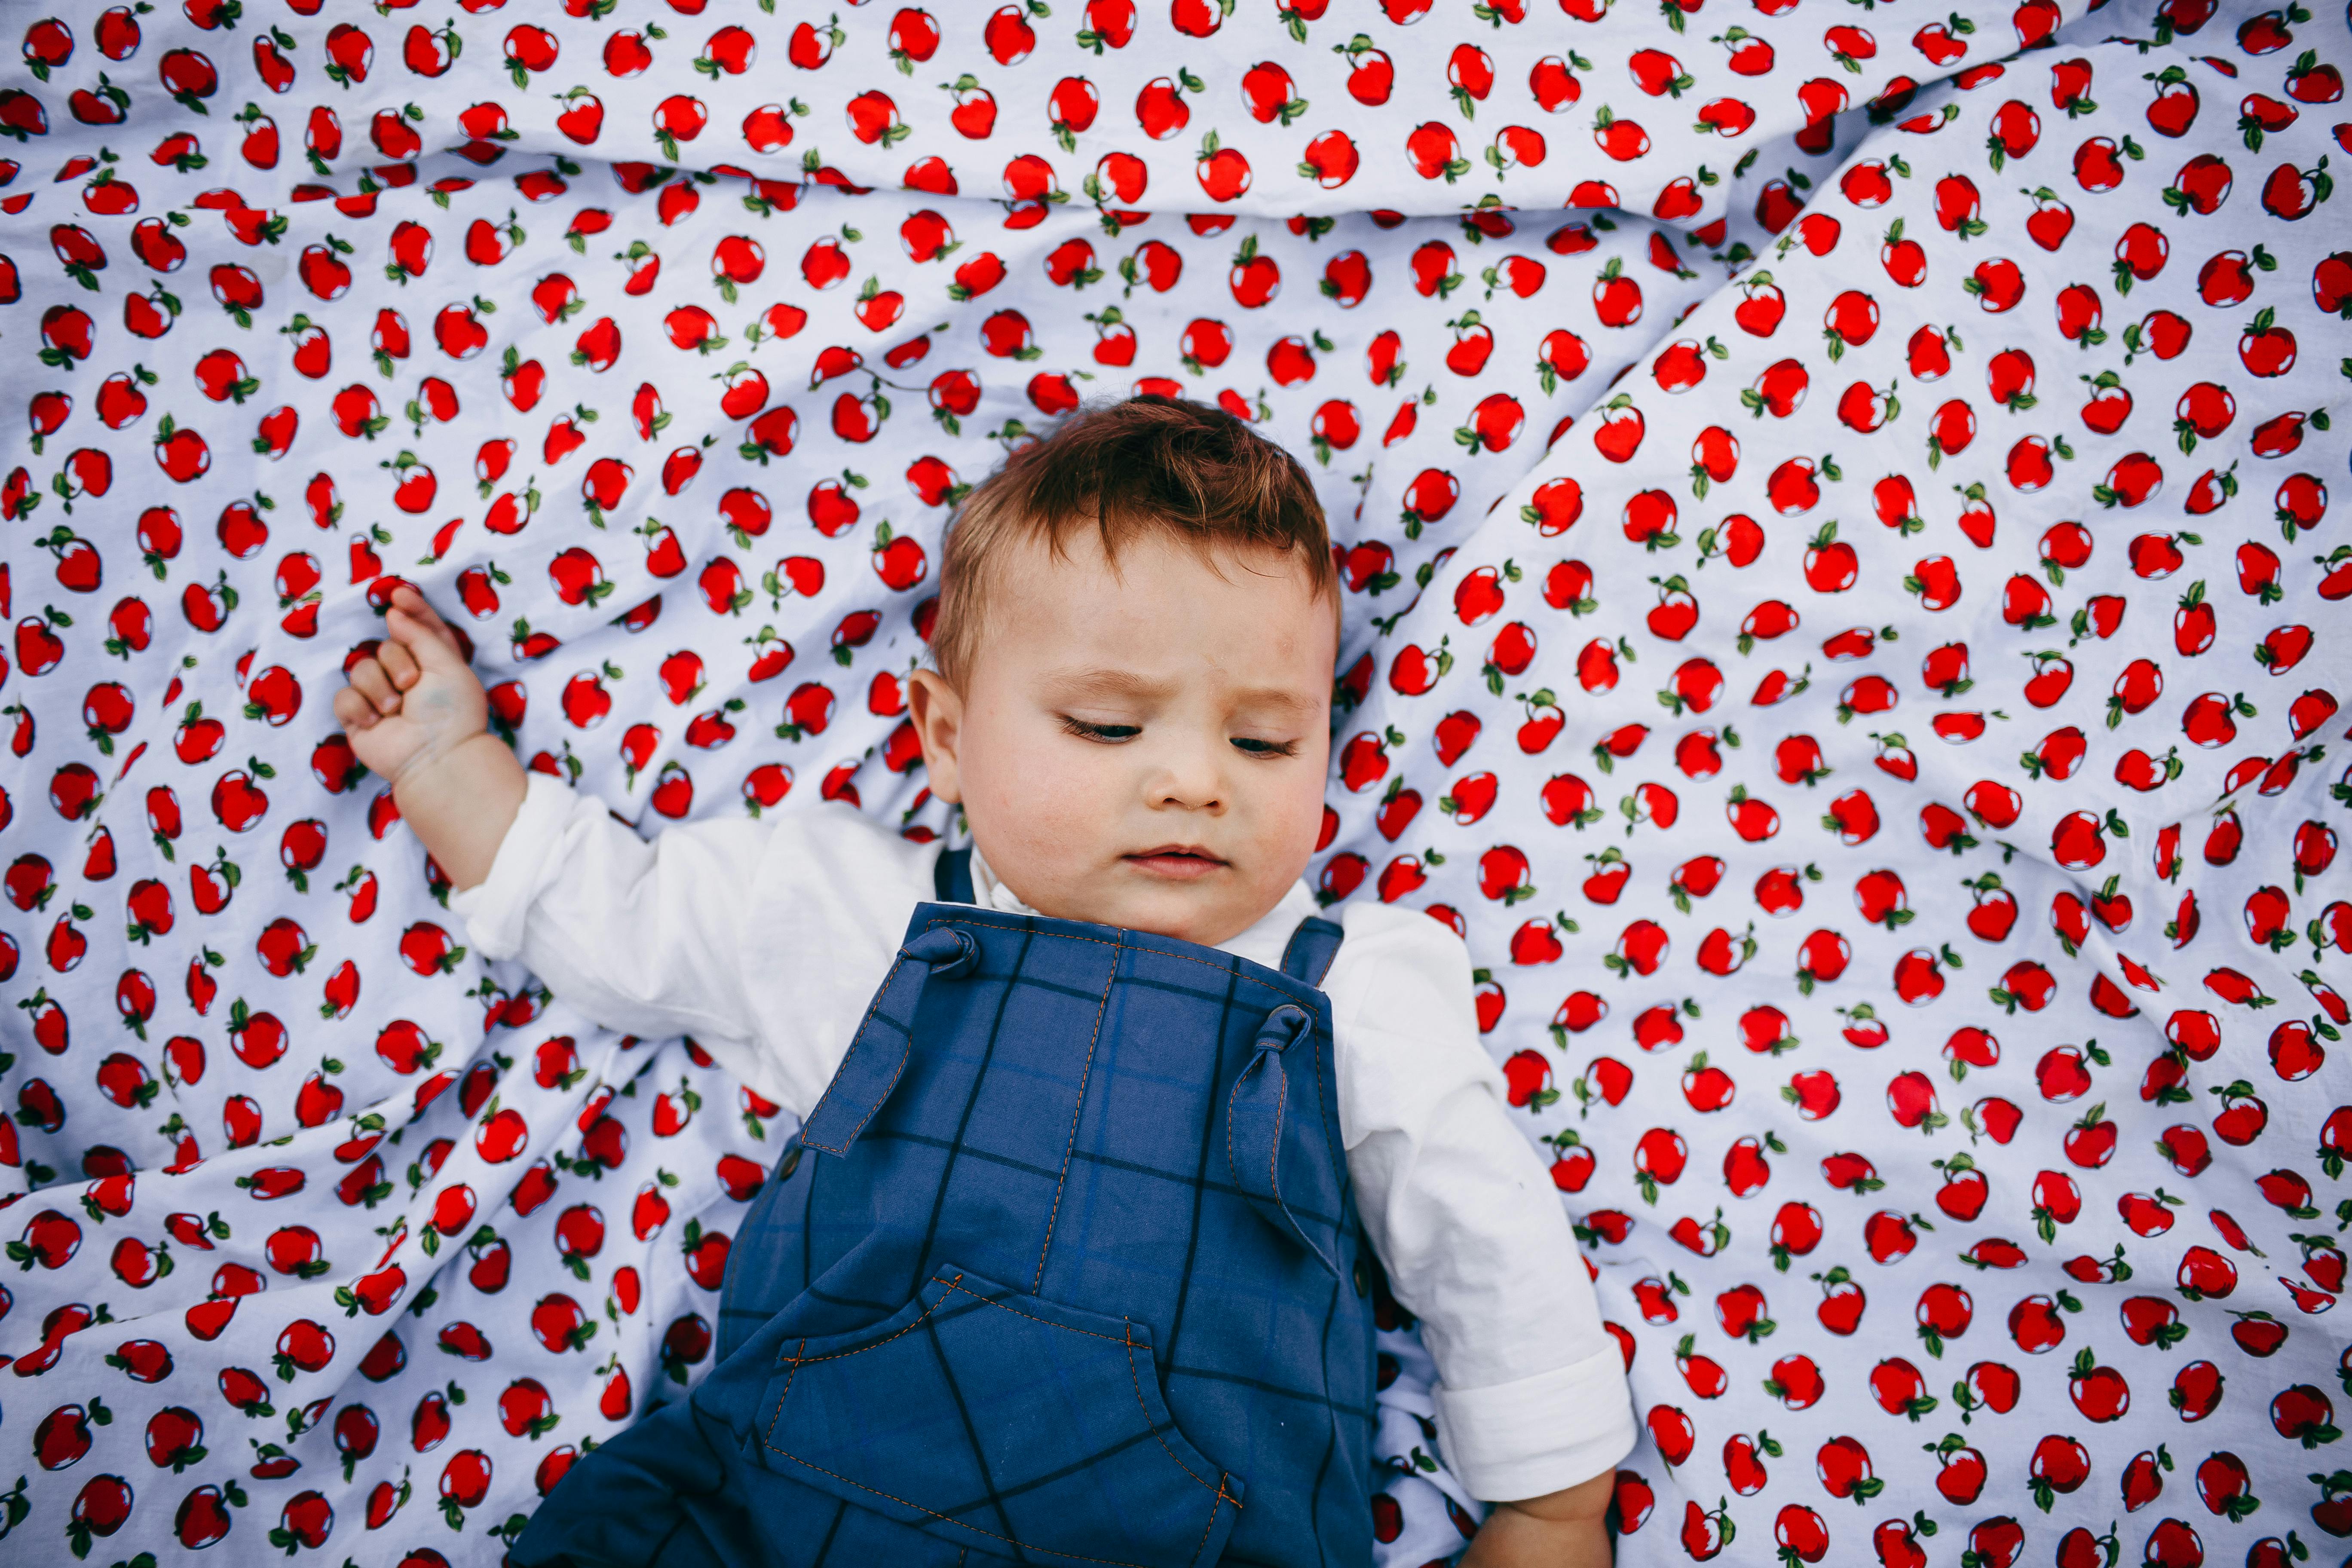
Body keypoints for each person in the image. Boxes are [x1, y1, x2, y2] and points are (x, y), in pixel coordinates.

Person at [334, 395, 1631, 1566]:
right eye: (1107, 727)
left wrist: (1552, 1501)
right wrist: (453, 770)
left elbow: (1484, 1236)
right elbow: (621, 922)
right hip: (788, 1504)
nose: (1194, 778)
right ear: (947, 739)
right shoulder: (854, 913)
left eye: (1264, 736)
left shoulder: (1356, 985)